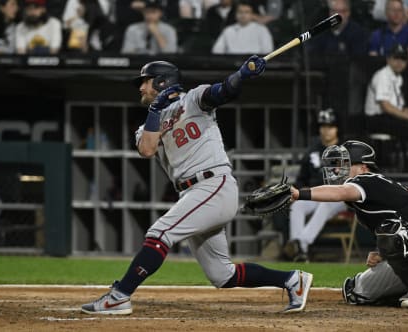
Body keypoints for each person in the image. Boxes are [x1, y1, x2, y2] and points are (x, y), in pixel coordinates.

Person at [81, 55, 313, 315]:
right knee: (222, 275)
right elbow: (147, 150)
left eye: (145, 82)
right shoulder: (148, 123)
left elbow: (224, 91)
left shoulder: (193, 98)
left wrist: (243, 74)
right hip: (193, 193)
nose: (141, 88)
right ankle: (293, 280)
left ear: (161, 81)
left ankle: (120, 296)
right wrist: (155, 111)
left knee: (160, 233)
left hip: (213, 184)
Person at [288, 140, 408, 308]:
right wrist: (383, 252)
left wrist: (299, 193)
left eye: (345, 164)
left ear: (364, 167)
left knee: (390, 231)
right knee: (355, 291)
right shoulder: (372, 193)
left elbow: (341, 192)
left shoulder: (368, 179)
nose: (337, 170)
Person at [283, 108, 347, 262]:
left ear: (337, 129)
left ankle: (300, 245)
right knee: (297, 204)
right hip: (316, 194)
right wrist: (298, 191)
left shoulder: (345, 150)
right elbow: (301, 178)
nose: (326, 131)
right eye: (323, 127)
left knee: (324, 205)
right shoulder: (312, 150)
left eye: (330, 127)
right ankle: (298, 249)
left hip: (340, 196)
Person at [365, 43, 408, 172]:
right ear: (388, 59)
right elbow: (386, 107)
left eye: (403, 59)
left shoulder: (397, 77)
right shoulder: (382, 76)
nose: (399, 62)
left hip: (389, 116)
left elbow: (400, 108)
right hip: (376, 120)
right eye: (396, 58)